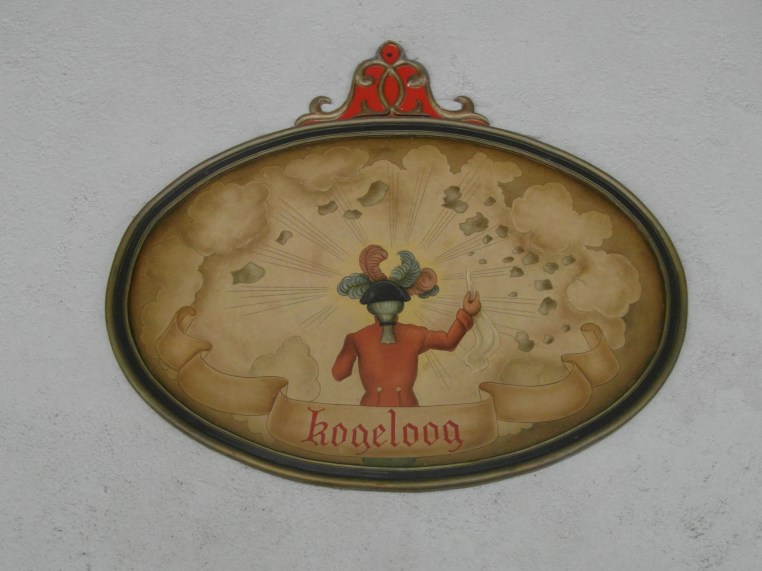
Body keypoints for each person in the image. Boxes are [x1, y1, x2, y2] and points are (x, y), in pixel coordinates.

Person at [332, 280, 481, 407]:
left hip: (380, 411)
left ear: (371, 308)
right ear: (400, 307)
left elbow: (339, 373)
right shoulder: (415, 334)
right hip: (401, 411)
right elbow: (449, 341)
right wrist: (466, 313)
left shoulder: (357, 338)